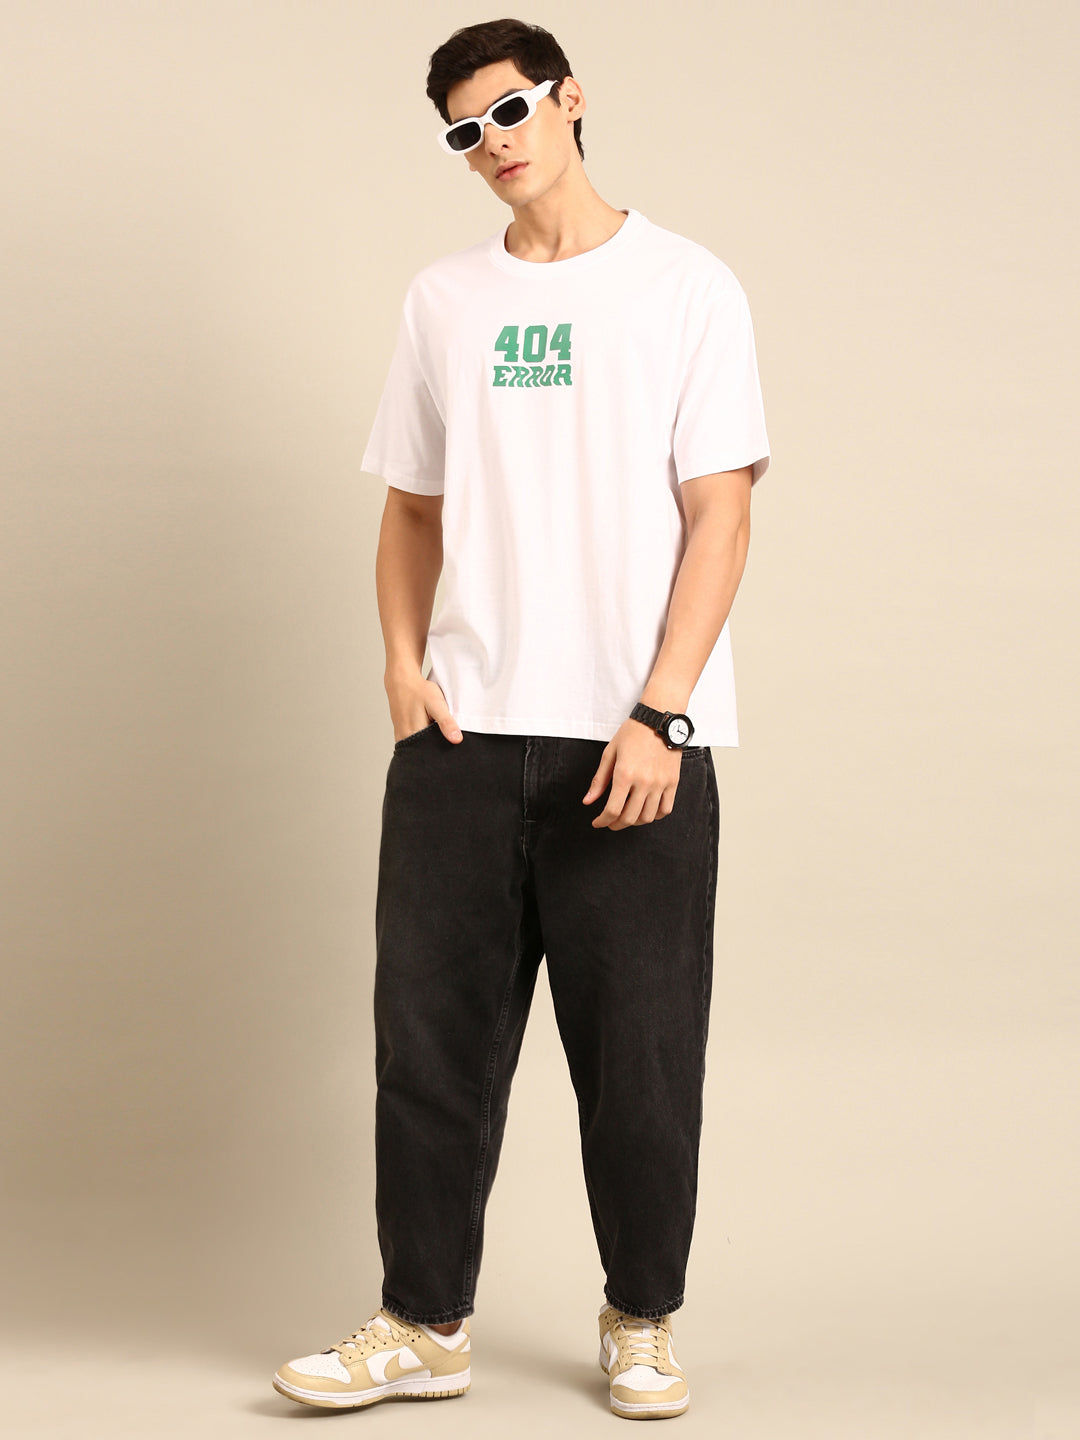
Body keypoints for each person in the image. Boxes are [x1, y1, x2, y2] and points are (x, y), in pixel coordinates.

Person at [272, 17, 770, 1422]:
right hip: (461, 743)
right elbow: (411, 506)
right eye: (463, 130)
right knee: (429, 1049)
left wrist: (662, 714)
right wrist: (399, 662)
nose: (491, 143)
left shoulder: (686, 287)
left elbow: (721, 512)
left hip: (631, 745)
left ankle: (642, 1319)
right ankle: (421, 1324)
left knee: (641, 1060)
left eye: (508, 110)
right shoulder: (445, 299)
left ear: (569, 98)